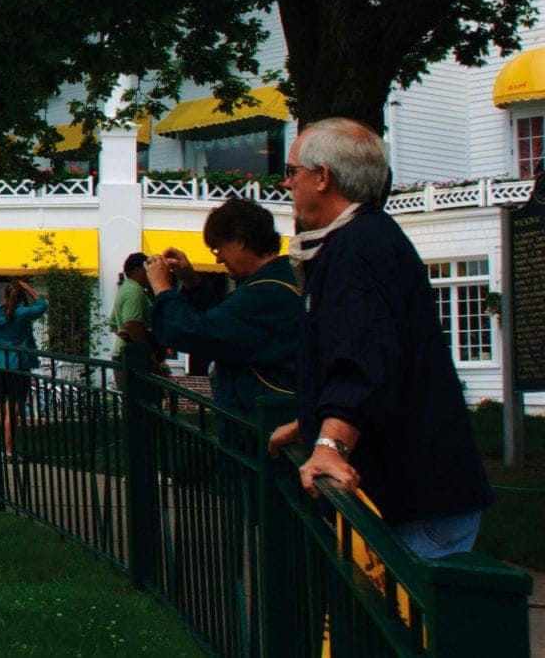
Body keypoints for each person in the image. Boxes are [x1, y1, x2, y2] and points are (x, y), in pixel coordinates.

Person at [266, 118, 492, 559]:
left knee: (395, 628)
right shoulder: (360, 239)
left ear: (324, 177)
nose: (286, 182)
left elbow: (364, 358)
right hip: (419, 499)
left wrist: (330, 446)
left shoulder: (358, 249)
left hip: (414, 507)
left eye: (292, 171)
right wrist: (311, 422)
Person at [144, 199, 300, 415]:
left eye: (218, 249)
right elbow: (227, 322)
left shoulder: (267, 293)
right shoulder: (277, 281)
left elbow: (193, 332)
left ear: (240, 241)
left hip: (265, 423)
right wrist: (192, 282)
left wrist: (162, 288)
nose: (218, 260)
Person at [0, 278, 47, 453]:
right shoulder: (23, 314)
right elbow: (42, 305)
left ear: (3, 295)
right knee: (13, 408)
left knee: (0, 406)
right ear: (21, 297)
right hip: (18, 365)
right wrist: (30, 289)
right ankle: (9, 447)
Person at [110, 252, 154, 353]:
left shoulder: (126, 288)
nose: (150, 274)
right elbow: (131, 324)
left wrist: (125, 338)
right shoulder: (134, 291)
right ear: (137, 270)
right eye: (147, 270)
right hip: (133, 357)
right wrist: (148, 352)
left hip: (122, 352)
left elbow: (113, 323)